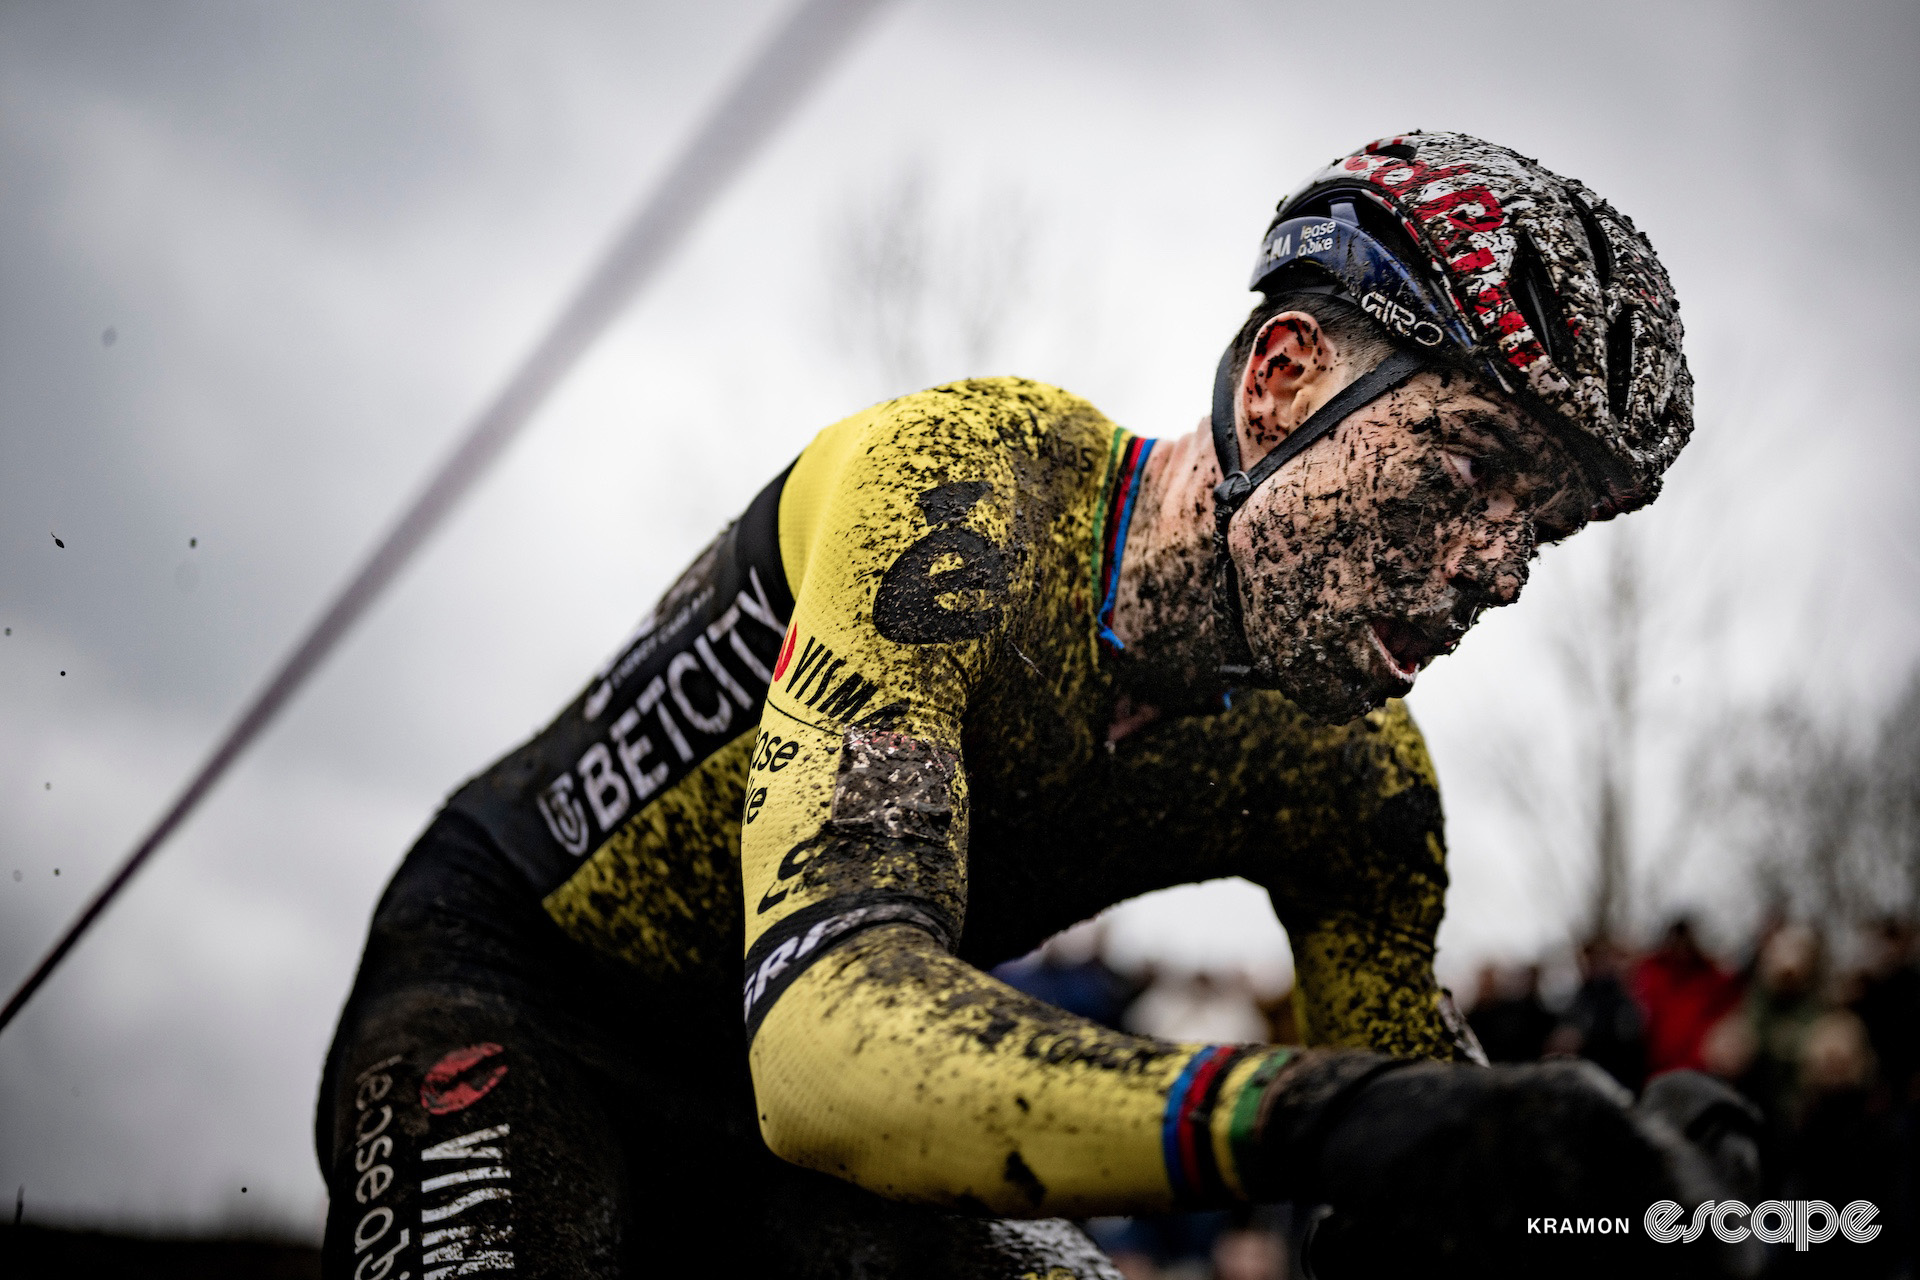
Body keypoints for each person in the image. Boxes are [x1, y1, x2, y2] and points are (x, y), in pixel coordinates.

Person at [316, 132, 1727, 1279]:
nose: (1498, 570)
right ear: (1282, 380)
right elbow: (821, 1047)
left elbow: (1407, 1167)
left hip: (811, 1104)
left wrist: (1601, 1196)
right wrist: (1308, 1113)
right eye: (1469, 468)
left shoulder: (1356, 781)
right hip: (520, 988)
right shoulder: (963, 495)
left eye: (1544, 527)